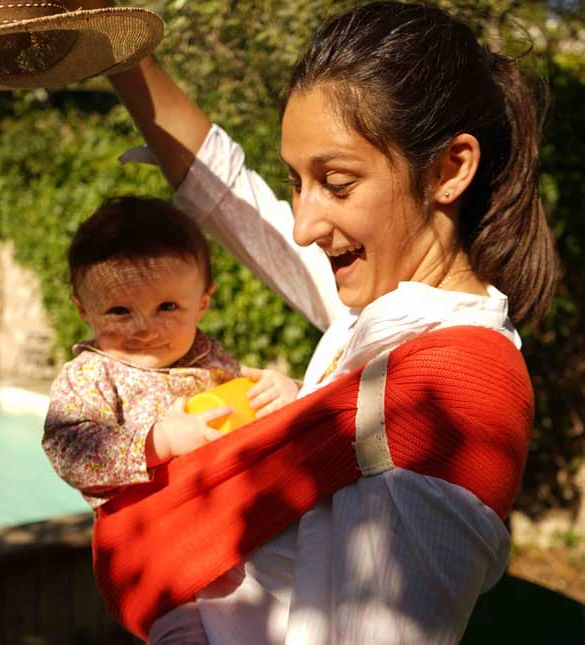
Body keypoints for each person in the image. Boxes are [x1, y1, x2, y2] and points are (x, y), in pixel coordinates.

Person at [66, 1, 558, 643]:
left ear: (448, 170)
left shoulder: (446, 400)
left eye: (336, 181)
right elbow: (232, 199)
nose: (302, 226)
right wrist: (118, 47)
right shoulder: (378, 318)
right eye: (297, 181)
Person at [42, 195, 299, 644]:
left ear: (202, 302)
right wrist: (158, 440)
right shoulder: (92, 374)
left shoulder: (210, 356)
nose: (145, 327)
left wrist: (285, 392)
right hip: (150, 550)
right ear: (83, 310)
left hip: (223, 533)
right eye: (119, 311)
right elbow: (67, 448)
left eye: (168, 308)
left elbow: (248, 416)